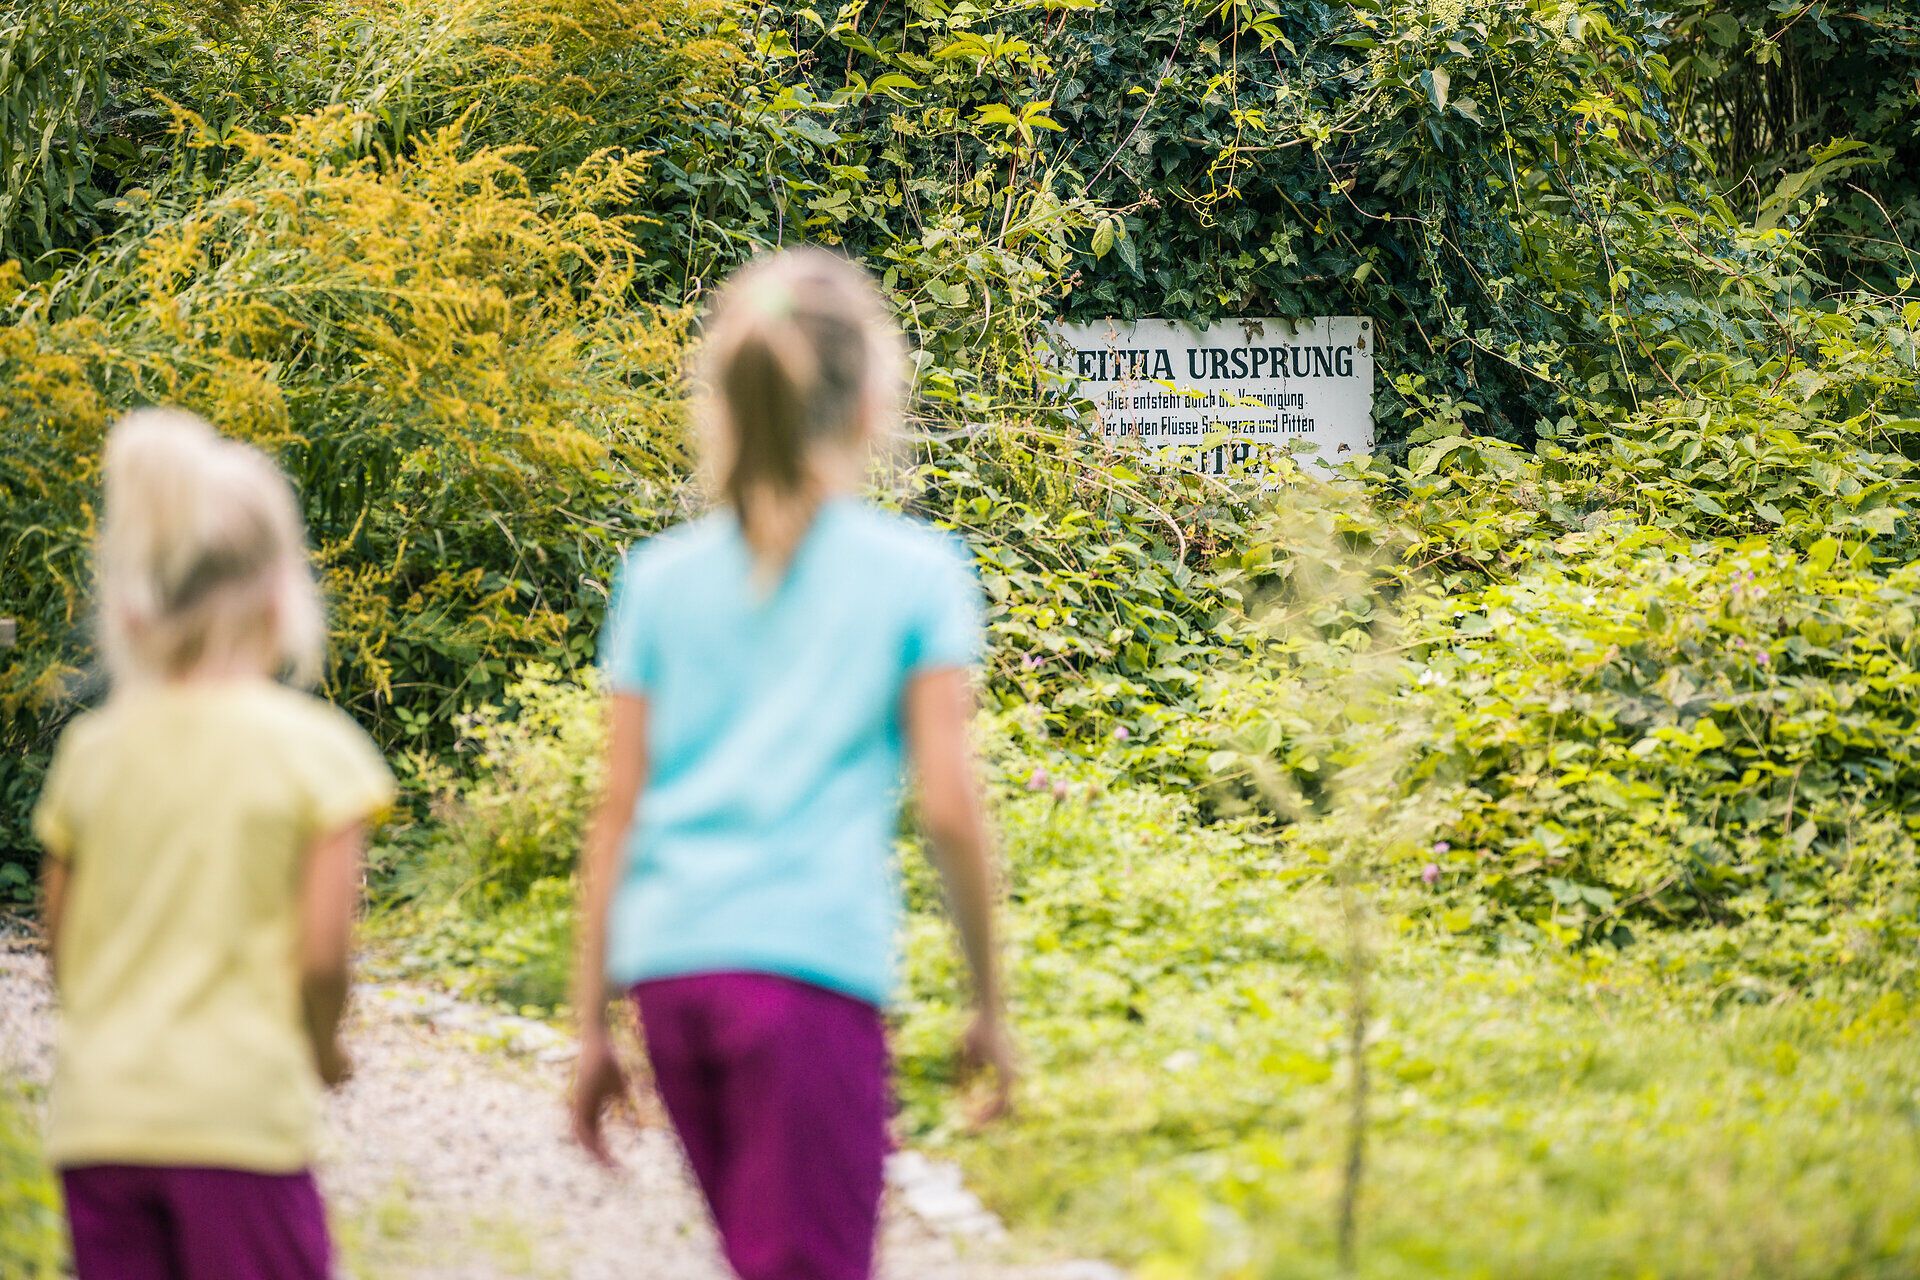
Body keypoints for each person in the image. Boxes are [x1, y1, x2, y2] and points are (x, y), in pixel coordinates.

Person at [570, 247, 1014, 1280]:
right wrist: (988, 997)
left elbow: (617, 812)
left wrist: (591, 1020)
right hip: (809, 976)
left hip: (673, 976)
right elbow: (949, 802)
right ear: (870, 401)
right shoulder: (918, 575)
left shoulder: (658, 580)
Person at [33, 409, 394, 1280]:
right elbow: (320, 958)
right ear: (282, 592)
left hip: (100, 1124)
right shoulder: (317, 753)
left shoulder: (94, 751)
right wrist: (323, 1046)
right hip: (238, 1125)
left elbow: (63, 947)